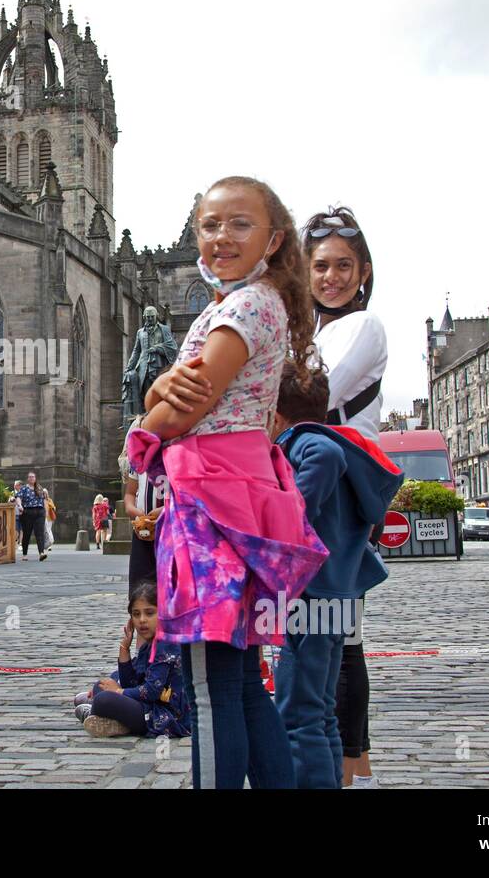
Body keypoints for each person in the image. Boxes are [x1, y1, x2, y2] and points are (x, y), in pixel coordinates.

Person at [128, 175, 328, 789]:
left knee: (212, 693)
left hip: (210, 503)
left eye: (240, 223)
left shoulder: (242, 306)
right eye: (211, 225)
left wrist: (139, 431)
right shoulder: (250, 301)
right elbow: (181, 387)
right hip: (234, 494)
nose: (222, 236)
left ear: (274, 239)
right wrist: (161, 389)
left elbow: (190, 402)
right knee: (241, 682)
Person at [269, 364, 403, 788]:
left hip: (310, 595)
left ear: (276, 413)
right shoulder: (332, 441)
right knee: (320, 711)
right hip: (335, 592)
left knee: (298, 713)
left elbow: (317, 471)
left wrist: (291, 513)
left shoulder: (309, 444)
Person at [302, 204, 386, 787]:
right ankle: (350, 760)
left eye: (343, 266)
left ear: (363, 272)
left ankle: (350, 763)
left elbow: (314, 395)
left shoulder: (361, 326)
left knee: (339, 630)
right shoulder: (311, 331)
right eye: (320, 265)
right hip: (314, 486)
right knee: (331, 631)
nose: (331, 277)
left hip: (342, 493)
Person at [73, 582, 191, 739]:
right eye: (136, 614)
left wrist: (118, 692)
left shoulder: (166, 644)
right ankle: (110, 719)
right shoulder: (149, 645)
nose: (142, 620)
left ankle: (100, 712)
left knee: (104, 699)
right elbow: (131, 681)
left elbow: (150, 692)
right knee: (101, 685)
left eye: (149, 613)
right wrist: (124, 648)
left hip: (165, 714)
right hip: (147, 705)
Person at [121, 416, 161, 591]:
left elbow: (185, 494)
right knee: (140, 583)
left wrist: (165, 510)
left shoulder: (174, 456)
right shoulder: (137, 461)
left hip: (168, 526)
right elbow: (129, 494)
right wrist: (133, 510)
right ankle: (138, 614)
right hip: (142, 528)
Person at [13, 472, 49, 561]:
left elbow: (44, 500)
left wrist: (46, 512)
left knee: (39, 533)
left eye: (33, 477)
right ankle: (24, 555)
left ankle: (41, 553)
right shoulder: (24, 488)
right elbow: (18, 497)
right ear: (28, 479)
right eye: (30, 477)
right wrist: (20, 506)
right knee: (27, 534)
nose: (32, 478)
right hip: (28, 513)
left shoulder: (39, 488)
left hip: (39, 512)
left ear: (35, 478)